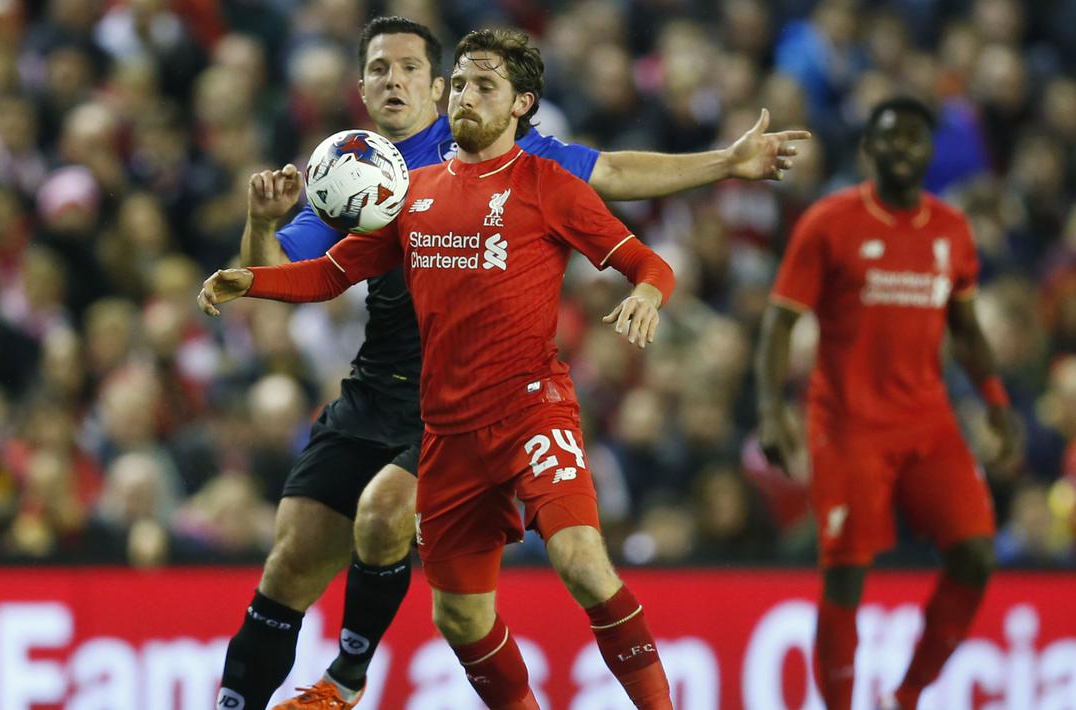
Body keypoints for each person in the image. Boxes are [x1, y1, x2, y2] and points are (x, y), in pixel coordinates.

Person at [218, 15, 808, 709]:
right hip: (401, 393)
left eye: (413, 68)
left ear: (437, 88)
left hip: (513, 402)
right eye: (379, 68)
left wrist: (723, 164)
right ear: (361, 87)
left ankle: (345, 680)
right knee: (338, 574)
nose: (396, 80)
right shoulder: (365, 177)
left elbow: (615, 176)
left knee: (458, 532)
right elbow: (306, 275)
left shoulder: (527, 165)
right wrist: (253, 245)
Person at [755, 96, 1023, 710]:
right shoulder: (830, 222)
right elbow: (778, 322)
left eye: (913, 140)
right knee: (846, 573)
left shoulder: (951, 230)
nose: (902, 149)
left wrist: (995, 399)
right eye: (889, 139)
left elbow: (968, 327)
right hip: (847, 423)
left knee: (976, 554)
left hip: (928, 420)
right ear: (868, 149)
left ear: (930, 152)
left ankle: (906, 697)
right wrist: (771, 406)